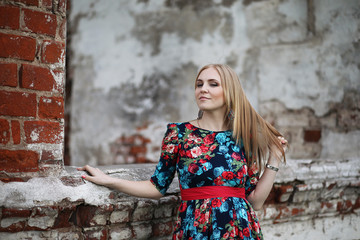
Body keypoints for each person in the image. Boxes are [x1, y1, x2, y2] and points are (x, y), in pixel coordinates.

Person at [78, 64, 288, 240]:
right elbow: (157, 186)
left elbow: (256, 201)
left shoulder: (243, 138)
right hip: (195, 230)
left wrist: (274, 158)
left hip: (240, 231)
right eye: (199, 84)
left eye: (213, 84)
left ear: (230, 92)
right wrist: (109, 181)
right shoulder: (179, 133)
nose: (203, 89)